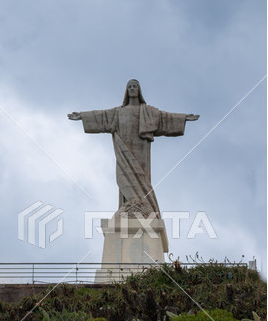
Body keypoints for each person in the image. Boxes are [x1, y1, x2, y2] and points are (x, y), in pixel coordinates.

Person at [68, 79, 199, 218]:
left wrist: (183, 118)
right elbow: (102, 116)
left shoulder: (148, 112)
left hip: (141, 151)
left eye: (134, 86)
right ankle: (128, 207)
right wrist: (82, 116)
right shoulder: (118, 112)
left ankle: (144, 207)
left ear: (139, 90)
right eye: (129, 86)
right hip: (123, 152)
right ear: (126, 91)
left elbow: (164, 118)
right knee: (125, 177)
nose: (132, 89)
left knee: (142, 177)